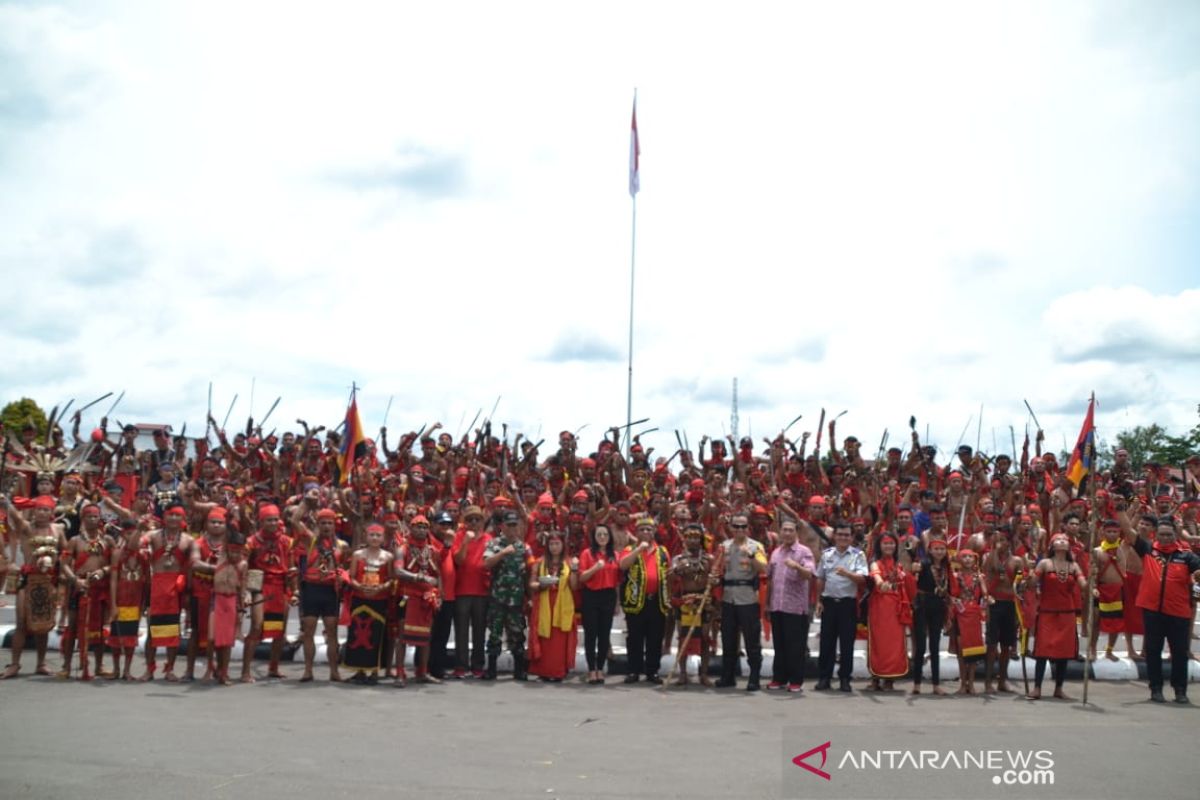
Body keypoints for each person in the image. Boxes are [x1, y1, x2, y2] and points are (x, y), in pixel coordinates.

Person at [1131, 517, 1200, 704]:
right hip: (1153, 612)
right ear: (1156, 535)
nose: (1166, 538)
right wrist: (1123, 508)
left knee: (1180, 653)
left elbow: (1198, 575)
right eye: (1162, 534)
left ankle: (1180, 691)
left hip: (1178, 613)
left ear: (1175, 535)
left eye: (1169, 534)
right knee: (1153, 651)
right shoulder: (1148, 550)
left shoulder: (1187, 557)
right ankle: (1156, 689)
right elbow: (1129, 533)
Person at [2, 495, 67, 679]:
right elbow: (14, 517)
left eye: (46, 510)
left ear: (51, 513)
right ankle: (14, 664)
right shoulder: (26, 528)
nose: (42, 513)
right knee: (21, 623)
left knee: (44, 623)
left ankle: (41, 663)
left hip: (48, 581)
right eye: (39, 509)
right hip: (28, 580)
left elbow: (66, 552)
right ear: (34, 510)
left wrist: (62, 572)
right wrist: (6, 502)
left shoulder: (58, 530)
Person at [58, 504, 114, 679]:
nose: (92, 519)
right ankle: (66, 665)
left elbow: (116, 564)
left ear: (100, 519)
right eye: (89, 516)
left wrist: (103, 571)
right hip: (79, 588)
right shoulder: (75, 541)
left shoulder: (108, 541)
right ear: (83, 519)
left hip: (100, 589)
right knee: (73, 627)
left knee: (98, 628)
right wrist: (76, 580)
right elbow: (64, 564)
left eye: (95, 516)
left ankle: (98, 666)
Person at [715, 512, 768, 691]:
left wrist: (752, 556)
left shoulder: (756, 546)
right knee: (729, 639)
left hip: (748, 597)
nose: (739, 530)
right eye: (736, 526)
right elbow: (717, 568)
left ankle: (754, 678)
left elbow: (764, 568)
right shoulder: (724, 546)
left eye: (743, 526)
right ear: (731, 528)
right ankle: (728, 676)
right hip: (728, 596)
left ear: (748, 528)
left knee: (752, 640)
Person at [241, 504, 294, 683]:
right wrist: (246, 592)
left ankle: (273, 668)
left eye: (275, 519)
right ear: (261, 521)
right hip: (260, 586)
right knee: (256, 627)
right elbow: (243, 567)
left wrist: (294, 591)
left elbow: (291, 568)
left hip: (280, 587)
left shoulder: (287, 541)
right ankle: (245, 671)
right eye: (269, 520)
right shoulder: (251, 542)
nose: (273, 523)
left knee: (279, 630)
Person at [1029, 534, 1085, 700]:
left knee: (1064, 652)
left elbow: (1083, 585)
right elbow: (1032, 584)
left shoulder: (1074, 566)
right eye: (1058, 540)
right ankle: (1037, 687)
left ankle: (1058, 688)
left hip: (1067, 614)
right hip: (1047, 612)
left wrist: (1092, 584)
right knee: (1042, 651)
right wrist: (1030, 573)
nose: (1062, 541)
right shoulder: (1045, 563)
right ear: (1052, 545)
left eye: (1065, 540)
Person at [141, 505, 194, 682]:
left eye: (177, 515)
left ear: (182, 519)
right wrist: (140, 532)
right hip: (156, 585)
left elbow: (192, 565)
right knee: (152, 630)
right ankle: (149, 669)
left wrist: (186, 587)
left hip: (175, 588)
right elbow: (137, 545)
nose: (173, 519)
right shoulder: (153, 536)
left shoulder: (188, 540)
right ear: (164, 516)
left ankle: (169, 669)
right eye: (170, 515)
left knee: (173, 630)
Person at [294, 508, 347, 682]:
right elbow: (294, 521)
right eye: (323, 523)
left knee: (332, 632)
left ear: (334, 525)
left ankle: (334, 671)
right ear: (318, 524)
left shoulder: (341, 546)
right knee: (308, 631)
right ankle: (308, 670)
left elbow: (346, 567)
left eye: (329, 523)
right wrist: (305, 502)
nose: (326, 526)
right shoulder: (311, 540)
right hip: (311, 589)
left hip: (330, 591)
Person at [814, 522, 867, 692]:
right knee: (826, 643)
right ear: (834, 536)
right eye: (840, 534)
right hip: (829, 603)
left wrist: (847, 573)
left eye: (847, 535)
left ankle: (845, 678)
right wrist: (818, 600)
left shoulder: (858, 555)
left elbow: (863, 579)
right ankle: (824, 677)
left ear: (852, 537)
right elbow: (820, 578)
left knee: (846, 643)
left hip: (847, 604)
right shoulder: (826, 555)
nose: (843, 538)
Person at [619, 516, 671, 684]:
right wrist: (638, 550)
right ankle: (633, 670)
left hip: (657, 601)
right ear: (637, 532)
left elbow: (668, 574)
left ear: (653, 532)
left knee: (655, 638)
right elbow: (623, 565)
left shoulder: (662, 551)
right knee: (635, 637)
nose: (646, 532)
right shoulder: (629, 549)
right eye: (642, 529)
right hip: (635, 601)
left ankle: (652, 671)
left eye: (649, 529)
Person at [342, 522, 394, 684]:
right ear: (366, 536)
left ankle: (374, 672)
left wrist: (381, 588)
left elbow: (392, 579)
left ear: (383, 538)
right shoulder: (358, 555)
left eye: (378, 535)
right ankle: (359, 671)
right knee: (357, 634)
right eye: (372, 535)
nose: (375, 538)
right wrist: (359, 586)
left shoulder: (388, 557)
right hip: (359, 598)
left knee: (376, 635)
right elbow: (351, 576)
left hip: (379, 600)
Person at [765, 519, 814, 692]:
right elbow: (770, 578)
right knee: (780, 645)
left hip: (795, 608)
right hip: (777, 606)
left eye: (790, 530)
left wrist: (796, 567)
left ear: (796, 533)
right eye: (784, 530)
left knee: (795, 646)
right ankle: (779, 678)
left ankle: (795, 681)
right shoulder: (776, 552)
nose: (786, 533)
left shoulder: (804, 552)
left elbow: (809, 574)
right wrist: (767, 604)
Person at [667, 523, 717, 687]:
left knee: (704, 638)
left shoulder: (709, 559)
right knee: (683, 639)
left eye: (696, 537)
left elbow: (716, 579)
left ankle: (703, 674)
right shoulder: (678, 559)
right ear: (684, 539)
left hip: (704, 602)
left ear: (701, 538)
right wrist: (676, 571)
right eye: (690, 537)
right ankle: (682, 674)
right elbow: (669, 578)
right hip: (685, 603)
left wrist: (714, 581)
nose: (693, 540)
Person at [394, 515, 442, 686]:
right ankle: (400, 672)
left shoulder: (433, 551)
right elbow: (398, 572)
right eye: (418, 527)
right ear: (411, 528)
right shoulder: (403, 549)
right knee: (402, 637)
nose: (421, 530)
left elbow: (438, 576)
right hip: (407, 597)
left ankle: (422, 671)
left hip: (426, 598)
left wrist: (439, 595)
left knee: (425, 638)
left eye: (424, 527)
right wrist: (418, 577)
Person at [483, 509, 529, 680]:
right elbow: (486, 564)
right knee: (495, 634)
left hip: (516, 599)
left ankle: (519, 670)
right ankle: (491, 669)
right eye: (508, 525)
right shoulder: (494, 544)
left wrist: (528, 598)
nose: (511, 528)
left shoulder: (523, 547)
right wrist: (502, 553)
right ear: (502, 526)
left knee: (517, 634)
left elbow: (527, 572)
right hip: (498, 598)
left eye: (514, 525)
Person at [528, 530, 578, 681]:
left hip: (563, 605)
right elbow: (532, 583)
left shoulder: (569, 563)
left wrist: (575, 570)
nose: (554, 547)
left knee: (559, 640)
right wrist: (542, 584)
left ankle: (558, 672)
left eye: (557, 544)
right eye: (551, 544)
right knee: (544, 638)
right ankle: (543, 671)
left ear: (563, 545)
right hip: (544, 603)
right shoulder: (539, 562)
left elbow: (574, 587)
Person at [186, 507, 228, 681]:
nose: (217, 525)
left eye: (220, 522)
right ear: (206, 524)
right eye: (213, 522)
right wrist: (218, 569)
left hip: (223, 592)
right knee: (195, 633)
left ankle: (219, 670)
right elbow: (195, 563)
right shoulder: (198, 543)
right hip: (200, 591)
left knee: (221, 633)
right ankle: (189, 671)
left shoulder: (230, 543)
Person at [866, 532, 910, 692]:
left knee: (894, 643)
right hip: (879, 607)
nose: (889, 546)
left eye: (891, 543)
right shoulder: (874, 563)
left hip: (895, 608)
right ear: (879, 546)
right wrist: (881, 584)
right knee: (878, 642)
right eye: (885, 543)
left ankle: (890, 679)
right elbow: (877, 577)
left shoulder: (899, 565)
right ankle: (875, 678)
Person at [451, 505, 491, 679]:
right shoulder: (459, 537)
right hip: (462, 590)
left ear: (483, 522)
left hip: (482, 590)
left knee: (479, 630)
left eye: (477, 519)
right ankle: (461, 665)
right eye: (470, 520)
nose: (474, 523)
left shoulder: (489, 539)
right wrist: (466, 541)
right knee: (461, 630)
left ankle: (478, 665)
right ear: (464, 522)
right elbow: (458, 560)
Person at [982, 530, 1023, 693]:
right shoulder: (989, 558)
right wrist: (994, 548)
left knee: (1007, 645)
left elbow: (1021, 583)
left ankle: (1002, 679)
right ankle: (987, 682)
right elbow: (984, 576)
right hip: (994, 602)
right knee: (992, 644)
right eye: (998, 540)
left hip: (1010, 604)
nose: (1001, 543)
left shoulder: (1017, 561)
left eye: (1004, 540)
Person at [107, 519, 149, 680]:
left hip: (135, 601)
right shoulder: (118, 553)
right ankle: (116, 669)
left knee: (130, 638)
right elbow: (113, 579)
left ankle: (127, 670)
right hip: (120, 600)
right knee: (116, 637)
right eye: (131, 534)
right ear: (124, 534)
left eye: (137, 534)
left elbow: (147, 579)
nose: (135, 538)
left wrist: (144, 603)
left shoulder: (143, 555)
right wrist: (113, 605)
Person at [579, 524, 619, 684]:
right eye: (599, 534)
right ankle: (591, 669)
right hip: (591, 596)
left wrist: (617, 603)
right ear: (594, 537)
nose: (602, 537)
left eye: (605, 534)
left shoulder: (614, 555)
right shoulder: (587, 554)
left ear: (609, 537)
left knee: (604, 634)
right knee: (591, 634)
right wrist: (595, 568)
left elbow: (617, 581)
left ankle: (600, 668)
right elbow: (582, 578)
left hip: (608, 596)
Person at [910, 536, 951, 695]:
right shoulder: (923, 564)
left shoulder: (947, 567)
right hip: (922, 604)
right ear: (930, 550)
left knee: (935, 646)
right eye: (936, 549)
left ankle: (936, 685)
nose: (939, 552)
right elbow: (913, 575)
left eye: (942, 549)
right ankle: (917, 683)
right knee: (920, 646)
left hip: (938, 606)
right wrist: (914, 569)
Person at [210, 532, 248, 686]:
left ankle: (224, 672)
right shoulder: (222, 557)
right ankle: (216, 667)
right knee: (214, 638)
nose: (235, 554)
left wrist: (241, 606)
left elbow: (243, 588)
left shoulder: (243, 564)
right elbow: (226, 537)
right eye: (232, 551)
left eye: (238, 552)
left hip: (231, 601)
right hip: (217, 600)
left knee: (227, 641)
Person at [951, 549, 988, 695]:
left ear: (975, 560)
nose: (967, 559)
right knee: (961, 651)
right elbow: (952, 594)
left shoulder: (979, 577)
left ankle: (971, 683)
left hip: (974, 615)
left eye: (970, 557)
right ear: (959, 560)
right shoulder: (955, 576)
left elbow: (985, 594)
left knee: (973, 651)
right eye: (964, 557)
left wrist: (986, 599)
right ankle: (962, 683)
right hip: (960, 615)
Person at [1089, 519, 1126, 662]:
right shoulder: (1097, 551)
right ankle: (1092, 648)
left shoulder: (1123, 549)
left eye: (1115, 531)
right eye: (1109, 531)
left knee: (1116, 623)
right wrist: (1093, 588)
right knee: (1096, 621)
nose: (1112, 534)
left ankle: (1109, 650)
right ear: (1103, 533)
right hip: (1101, 590)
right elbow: (1092, 573)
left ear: (1119, 533)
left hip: (1117, 591)